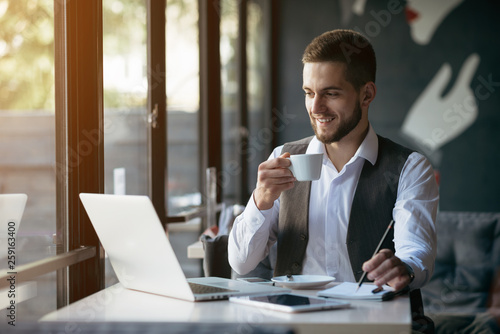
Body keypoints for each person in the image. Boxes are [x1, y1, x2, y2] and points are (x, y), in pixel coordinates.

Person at [228, 29, 439, 296]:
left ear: (366, 95)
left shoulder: (409, 167)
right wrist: (261, 201)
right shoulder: (283, 158)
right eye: (309, 92)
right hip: (294, 321)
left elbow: (417, 253)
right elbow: (241, 262)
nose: (315, 107)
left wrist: (403, 267)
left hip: (373, 323)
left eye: (331, 93)